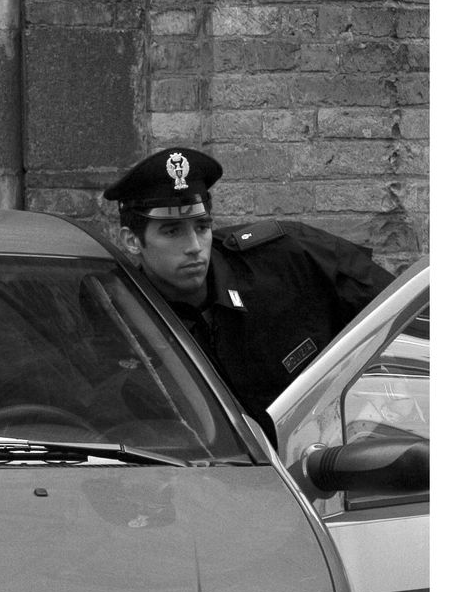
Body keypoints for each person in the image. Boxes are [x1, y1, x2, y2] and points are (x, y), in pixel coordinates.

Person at [103, 146, 393, 424]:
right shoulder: (121, 319)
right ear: (132, 241)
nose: (193, 246)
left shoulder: (286, 260)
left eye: (202, 227)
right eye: (172, 231)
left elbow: (398, 312)